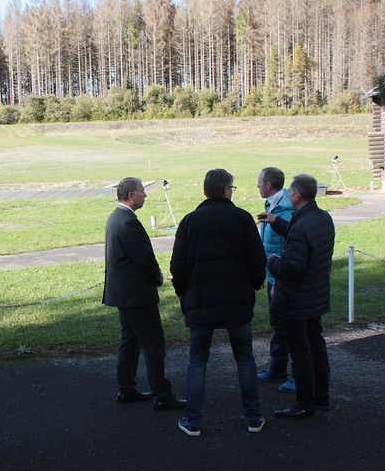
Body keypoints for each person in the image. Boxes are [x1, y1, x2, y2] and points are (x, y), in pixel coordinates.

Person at [170, 169, 267, 437]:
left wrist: (183, 293)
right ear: (226, 190)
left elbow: (178, 265)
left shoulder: (190, 221)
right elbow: (257, 259)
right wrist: (254, 284)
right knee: (245, 359)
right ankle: (253, 416)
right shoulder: (242, 218)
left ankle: (193, 420)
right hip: (237, 299)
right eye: (232, 188)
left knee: (198, 361)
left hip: (200, 300)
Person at [102, 177, 186, 411]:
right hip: (136, 294)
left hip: (123, 293)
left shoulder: (115, 218)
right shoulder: (128, 222)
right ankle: (162, 395)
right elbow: (143, 259)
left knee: (130, 340)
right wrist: (157, 276)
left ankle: (126, 389)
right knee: (153, 343)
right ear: (130, 195)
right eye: (142, 191)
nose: (145, 195)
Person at [260, 174, 335, 419]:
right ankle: (321, 395)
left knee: (300, 350)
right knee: (316, 344)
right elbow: (300, 235)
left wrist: (271, 261)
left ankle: (304, 403)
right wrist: (275, 221)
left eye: (291, 193)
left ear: (297, 196)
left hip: (296, 299)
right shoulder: (321, 218)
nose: (289, 196)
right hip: (315, 295)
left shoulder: (301, 224)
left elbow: (292, 267)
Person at [255, 167, 297, 394]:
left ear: (269, 184)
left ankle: (295, 375)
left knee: (289, 326)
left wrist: (278, 278)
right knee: (278, 324)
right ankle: (277, 369)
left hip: (282, 277)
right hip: (272, 274)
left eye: (259, 182)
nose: (258, 186)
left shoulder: (286, 209)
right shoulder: (273, 204)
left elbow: (291, 243)